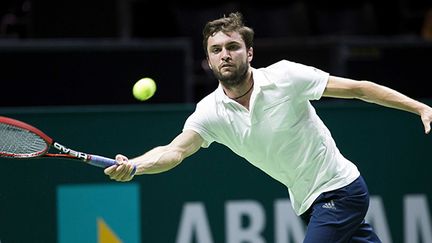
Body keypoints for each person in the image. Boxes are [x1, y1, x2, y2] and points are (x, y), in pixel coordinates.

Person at [105, 12, 432, 242]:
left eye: (232, 47)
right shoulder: (210, 112)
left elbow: (360, 88)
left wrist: (420, 107)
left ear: (249, 52)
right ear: (208, 61)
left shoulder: (286, 77)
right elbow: (174, 151)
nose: (225, 55)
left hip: (340, 190)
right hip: (306, 202)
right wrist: (135, 166)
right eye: (216, 50)